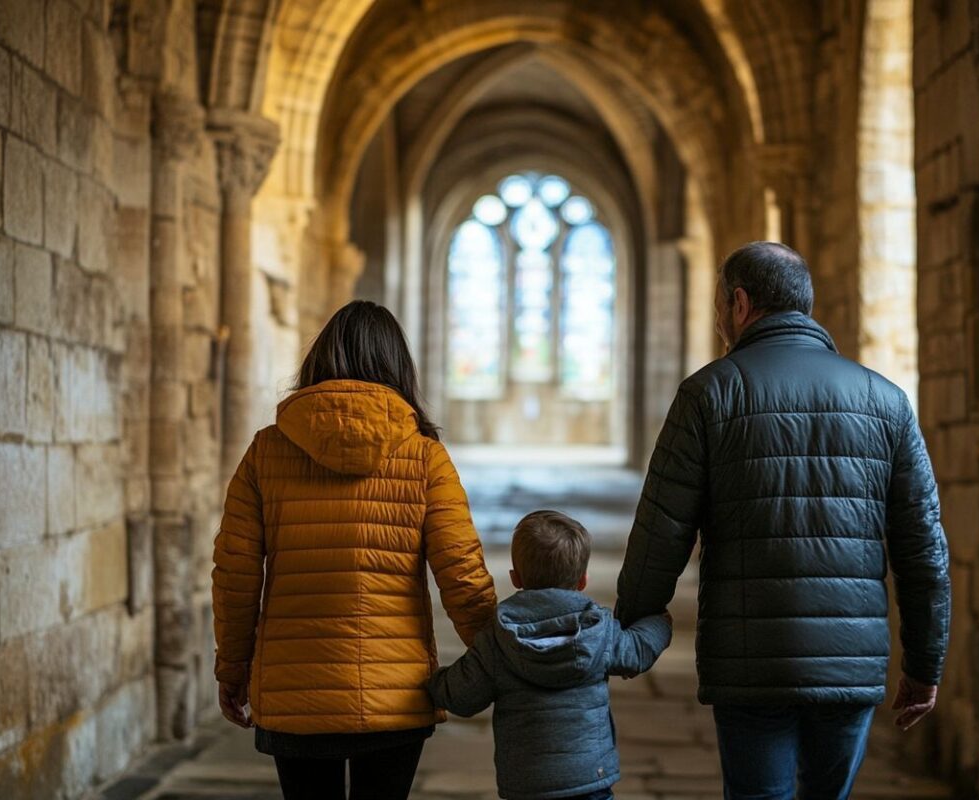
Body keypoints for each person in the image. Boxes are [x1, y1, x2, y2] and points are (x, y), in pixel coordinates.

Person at [615, 242, 951, 800]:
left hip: (749, 665)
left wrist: (632, 628)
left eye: (722, 304)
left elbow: (662, 530)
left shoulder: (708, 394)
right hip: (850, 663)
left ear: (740, 304)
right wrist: (925, 662)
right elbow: (923, 549)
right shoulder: (886, 401)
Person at [212, 300, 498, 800]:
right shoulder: (426, 457)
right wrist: (498, 659)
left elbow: (235, 576)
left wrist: (233, 670)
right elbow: (462, 572)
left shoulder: (266, 451)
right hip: (396, 693)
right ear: (398, 367)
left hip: (294, 692)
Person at [428, 510, 672, 800]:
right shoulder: (600, 631)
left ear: (515, 578)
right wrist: (660, 623)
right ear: (583, 581)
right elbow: (638, 650)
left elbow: (461, 696)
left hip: (527, 785)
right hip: (589, 779)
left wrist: (432, 682)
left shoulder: (496, 639)